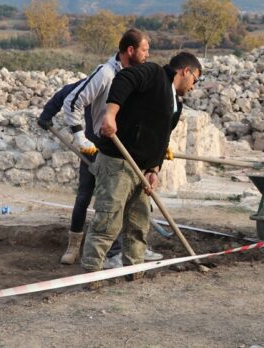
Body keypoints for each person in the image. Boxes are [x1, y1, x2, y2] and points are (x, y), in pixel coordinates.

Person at [81, 52, 201, 284]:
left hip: (142, 170)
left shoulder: (176, 104)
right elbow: (125, 78)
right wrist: (111, 115)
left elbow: (162, 139)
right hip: (117, 161)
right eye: (196, 79)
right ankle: (91, 275)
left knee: (138, 223)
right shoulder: (154, 73)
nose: (194, 86)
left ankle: (134, 273)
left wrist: (154, 169)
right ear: (186, 71)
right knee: (108, 220)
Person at [37, 79, 163, 267]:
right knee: (84, 196)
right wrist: (46, 115)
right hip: (92, 150)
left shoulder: (129, 87)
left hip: (117, 153)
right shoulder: (97, 84)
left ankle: (120, 250)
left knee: (120, 200)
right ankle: (74, 246)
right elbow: (66, 94)